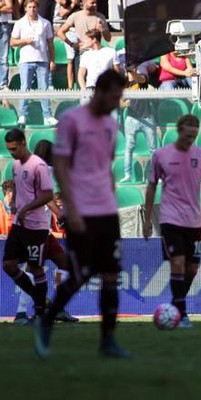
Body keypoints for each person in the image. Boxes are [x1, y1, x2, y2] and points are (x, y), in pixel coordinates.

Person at [34, 70, 130, 359]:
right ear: (99, 92)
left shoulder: (111, 126)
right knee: (80, 274)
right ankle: (47, 320)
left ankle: (108, 341)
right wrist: (71, 209)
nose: (117, 102)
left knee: (111, 274)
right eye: (114, 96)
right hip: (81, 211)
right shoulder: (72, 120)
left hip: (106, 212)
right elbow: (61, 166)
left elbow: (107, 168)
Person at [143, 115, 201, 328]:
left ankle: (175, 305)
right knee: (177, 264)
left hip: (193, 222)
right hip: (170, 220)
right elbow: (151, 186)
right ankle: (182, 313)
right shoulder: (161, 155)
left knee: (192, 270)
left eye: (194, 136)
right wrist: (148, 219)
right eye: (187, 136)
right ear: (178, 131)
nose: (190, 140)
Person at [2, 128, 54, 324]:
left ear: (23, 143)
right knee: (8, 265)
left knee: (36, 269)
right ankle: (39, 299)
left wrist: (26, 209)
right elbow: (16, 187)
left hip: (36, 227)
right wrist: (15, 203)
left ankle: (40, 313)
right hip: (19, 225)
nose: (12, 153)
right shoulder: (15, 166)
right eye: (8, 149)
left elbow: (48, 195)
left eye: (14, 148)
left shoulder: (38, 166)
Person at [10, 0, 57, 126]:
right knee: (25, 87)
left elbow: (50, 44)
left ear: (38, 8)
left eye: (34, 7)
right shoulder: (20, 23)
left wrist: (52, 60)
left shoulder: (45, 23)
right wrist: (25, 41)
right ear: (25, 8)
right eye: (30, 7)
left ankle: (47, 115)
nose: (32, 9)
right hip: (26, 60)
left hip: (42, 59)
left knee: (44, 88)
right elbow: (13, 42)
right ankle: (22, 115)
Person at [120, 62, 157, 183]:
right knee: (128, 148)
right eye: (129, 69)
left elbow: (140, 78)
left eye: (133, 68)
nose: (132, 70)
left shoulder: (142, 79)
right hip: (131, 118)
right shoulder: (124, 84)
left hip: (147, 117)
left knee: (153, 149)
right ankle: (127, 174)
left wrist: (131, 72)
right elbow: (119, 102)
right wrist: (124, 104)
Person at [54, 0, 80, 89]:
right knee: (70, 61)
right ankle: (70, 86)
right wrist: (73, 4)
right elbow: (62, 13)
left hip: (82, 30)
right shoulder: (67, 2)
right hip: (70, 31)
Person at [0, 0, 12, 90]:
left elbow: (9, 8)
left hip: (3, 25)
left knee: (4, 58)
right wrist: (2, 5)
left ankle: (3, 84)